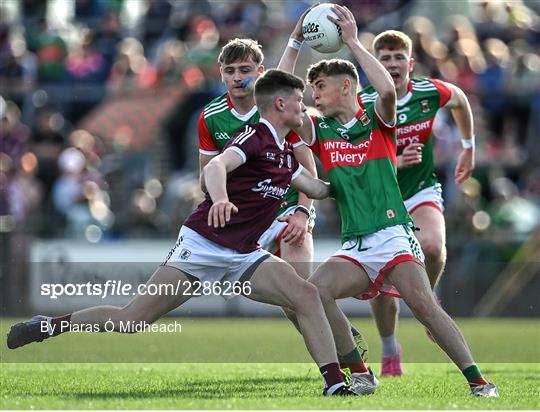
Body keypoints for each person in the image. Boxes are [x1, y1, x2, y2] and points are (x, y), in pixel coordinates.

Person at [7, 69, 365, 396]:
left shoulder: (286, 154)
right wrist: (222, 198)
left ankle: (334, 383)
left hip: (244, 254)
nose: (305, 107)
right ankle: (50, 326)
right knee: (131, 321)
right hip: (203, 245)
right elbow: (216, 168)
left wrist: (361, 173)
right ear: (281, 103)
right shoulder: (255, 137)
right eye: (300, 100)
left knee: (304, 294)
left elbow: (318, 189)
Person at [278, 4, 498, 397]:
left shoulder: (377, 118)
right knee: (311, 292)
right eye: (313, 90)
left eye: (321, 88)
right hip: (356, 246)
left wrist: (351, 42)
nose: (314, 96)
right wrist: (295, 41)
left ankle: (479, 382)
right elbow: (281, 97)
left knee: (426, 309)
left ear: (346, 86)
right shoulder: (320, 129)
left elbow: (385, 89)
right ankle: (361, 372)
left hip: (393, 237)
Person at [198, 37, 368, 355]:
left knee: (300, 292)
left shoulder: (282, 109)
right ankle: (341, 339)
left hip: (289, 208)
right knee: (294, 304)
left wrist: (304, 213)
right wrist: (222, 195)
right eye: (230, 70)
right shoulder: (211, 116)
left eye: (245, 70)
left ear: (261, 72)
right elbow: (206, 175)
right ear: (220, 73)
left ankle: (346, 361)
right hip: (248, 218)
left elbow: (307, 167)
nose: (237, 77)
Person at [363, 29, 477, 377]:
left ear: (410, 63)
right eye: (385, 58)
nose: (393, 64)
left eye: (399, 57)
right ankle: (389, 348)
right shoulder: (362, 102)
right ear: (375, 65)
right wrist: (395, 159)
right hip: (380, 197)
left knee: (432, 246)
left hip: (421, 189)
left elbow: (459, 99)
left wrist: (468, 146)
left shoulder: (428, 92)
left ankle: (427, 304)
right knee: (381, 286)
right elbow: (356, 162)